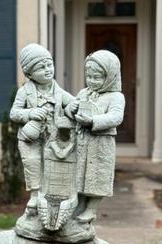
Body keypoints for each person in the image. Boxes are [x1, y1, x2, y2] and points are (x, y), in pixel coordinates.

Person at [10, 43, 74, 210]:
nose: (48, 70)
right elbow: (14, 113)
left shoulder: (57, 91)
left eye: (49, 65)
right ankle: (34, 194)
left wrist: (74, 107)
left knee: (50, 165)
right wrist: (30, 113)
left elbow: (72, 103)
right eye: (41, 67)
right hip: (30, 137)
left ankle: (49, 195)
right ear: (29, 73)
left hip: (52, 136)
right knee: (32, 162)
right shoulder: (24, 91)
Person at [68, 50, 125, 222]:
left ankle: (91, 209)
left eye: (97, 77)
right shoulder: (83, 93)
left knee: (97, 176)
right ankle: (79, 204)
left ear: (109, 77)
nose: (92, 81)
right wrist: (70, 109)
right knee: (81, 175)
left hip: (100, 143)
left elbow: (116, 117)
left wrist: (93, 121)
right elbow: (71, 109)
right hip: (82, 142)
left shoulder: (116, 97)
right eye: (89, 76)